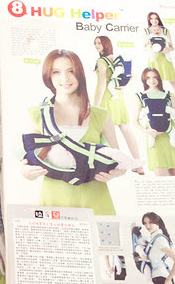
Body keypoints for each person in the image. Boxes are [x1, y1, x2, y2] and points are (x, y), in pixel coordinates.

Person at [21, 49, 125, 216]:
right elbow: (23, 162)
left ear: (79, 74)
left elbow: (120, 161)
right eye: (56, 72)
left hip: (96, 200)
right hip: (55, 201)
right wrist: (27, 173)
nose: (64, 78)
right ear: (48, 76)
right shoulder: (36, 114)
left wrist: (115, 173)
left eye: (71, 71)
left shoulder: (101, 115)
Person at [93, 36, 143, 173]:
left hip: (106, 97)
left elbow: (102, 83)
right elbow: (132, 75)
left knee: (105, 132)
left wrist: (96, 105)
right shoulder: (117, 59)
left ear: (106, 44)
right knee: (126, 129)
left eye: (99, 43)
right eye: (95, 43)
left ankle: (119, 163)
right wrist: (122, 86)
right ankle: (138, 165)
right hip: (117, 96)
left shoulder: (101, 61)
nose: (97, 45)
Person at [132, 67, 175, 176]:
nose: (152, 80)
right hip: (154, 137)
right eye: (148, 77)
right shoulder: (140, 96)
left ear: (159, 78)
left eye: (154, 77)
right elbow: (135, 121)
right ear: (144, 79)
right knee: (160, 173)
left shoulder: (169, 95)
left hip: (170, 135)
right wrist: (147, 131)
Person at [138, 212, 175, 284]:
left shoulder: (159, 240)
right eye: (145, 223)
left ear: (157, 223)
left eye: (150, 222)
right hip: (158, 279)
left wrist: (168, 279)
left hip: (161, 280)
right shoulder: (154, 239)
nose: (147, 226)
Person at [143, 12, 175, 90]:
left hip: (165, 58)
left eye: (156, 18)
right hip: (154, 59)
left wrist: (167, 49)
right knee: (156, 80)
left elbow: (172, 47)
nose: (154, 20)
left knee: (172, 79)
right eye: (151, 18)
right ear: (149, 20)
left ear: (158, 19)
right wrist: (149, 49)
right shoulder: (146, 31)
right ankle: (160, 95)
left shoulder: (165, 30)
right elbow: (144, 47)